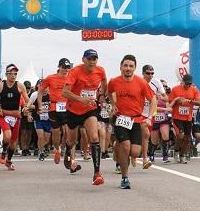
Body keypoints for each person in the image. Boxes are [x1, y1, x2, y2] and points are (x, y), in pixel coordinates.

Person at [108, 54, 157, 189]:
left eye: (131, 66)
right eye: (125, 66)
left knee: (135, 152)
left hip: (136, 119)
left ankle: (117, 146)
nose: (128, 68)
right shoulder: (114, 81)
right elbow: (109, 92)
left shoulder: (141, 83)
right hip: (120, 118)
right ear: (121, 67)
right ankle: (125, 178)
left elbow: (153, 99)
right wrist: (113, 105)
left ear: (135, 68)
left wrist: (149, 117)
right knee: (126, 146)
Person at [62, 49, 107, 184]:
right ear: (83, 59)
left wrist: (102, 96)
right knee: (71, 140)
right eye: (89, 59)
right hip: (73, 110)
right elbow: (64, 92)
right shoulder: (75, 71)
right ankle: (67, 153)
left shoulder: (100, 71)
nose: (92, 61)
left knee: (94, 137)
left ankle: (97, 173)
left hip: (90, 109)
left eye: (95, 59)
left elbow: (104, 84)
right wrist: (81, 99)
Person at [0, 64, 32, 170]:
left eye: (15, 74)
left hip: (16, 116)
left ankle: (8, 161)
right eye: (11, 74)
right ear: (6, 74)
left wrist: (27, 107)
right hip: (4, 115)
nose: (13, 76)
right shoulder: (0, 86)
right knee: (7, 135)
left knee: (13, 143)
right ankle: (4, 152)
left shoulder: (20, 86)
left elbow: (28, 101)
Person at [38, 58, 71, 164]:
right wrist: (39, 105)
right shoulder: (50, 78)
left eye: (67, 67)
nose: (66, 69)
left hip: (67, 108)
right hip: (54, 108)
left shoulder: (71, 78)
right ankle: (57, 149)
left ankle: (66, 149)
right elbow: (40, 91)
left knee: (67, 132)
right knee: (56, 134)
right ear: (59, 67)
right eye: (64, 67)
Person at [168, 74, 200, 164]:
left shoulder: (194, 90)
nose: (188, 85)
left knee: (187, 138)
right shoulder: (175, 89)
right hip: (177, 117)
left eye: (190, 84)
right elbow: (170, 102)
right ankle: (176, 150)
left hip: (188, 118)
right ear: (182, 82)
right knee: (180, 135)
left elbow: (199, 102)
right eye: (186, 84)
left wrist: (190, 101)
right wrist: (178, 101)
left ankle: (182, 155)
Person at [140, 65, 167, 168]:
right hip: (139, 113)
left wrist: (160, 97)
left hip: (151, 114)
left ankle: (143, 157)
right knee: (145, 134)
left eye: (152, 73)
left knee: (146, 137)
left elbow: (166, 98)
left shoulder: (156, 82)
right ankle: (144, 159)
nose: (150, 75)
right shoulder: (139, 81)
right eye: (148, 73)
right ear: (143, 73)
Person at [30, 80, 52, 161]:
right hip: (38, 119)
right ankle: (41, 152)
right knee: (41, 137)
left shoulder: (51, 95)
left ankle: (43, 148)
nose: (45, 89)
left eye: (46, 87)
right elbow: (29, 104)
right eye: (42, 87)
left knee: (46, 139)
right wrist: (31, 112)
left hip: (48, 120)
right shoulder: (35, 94)